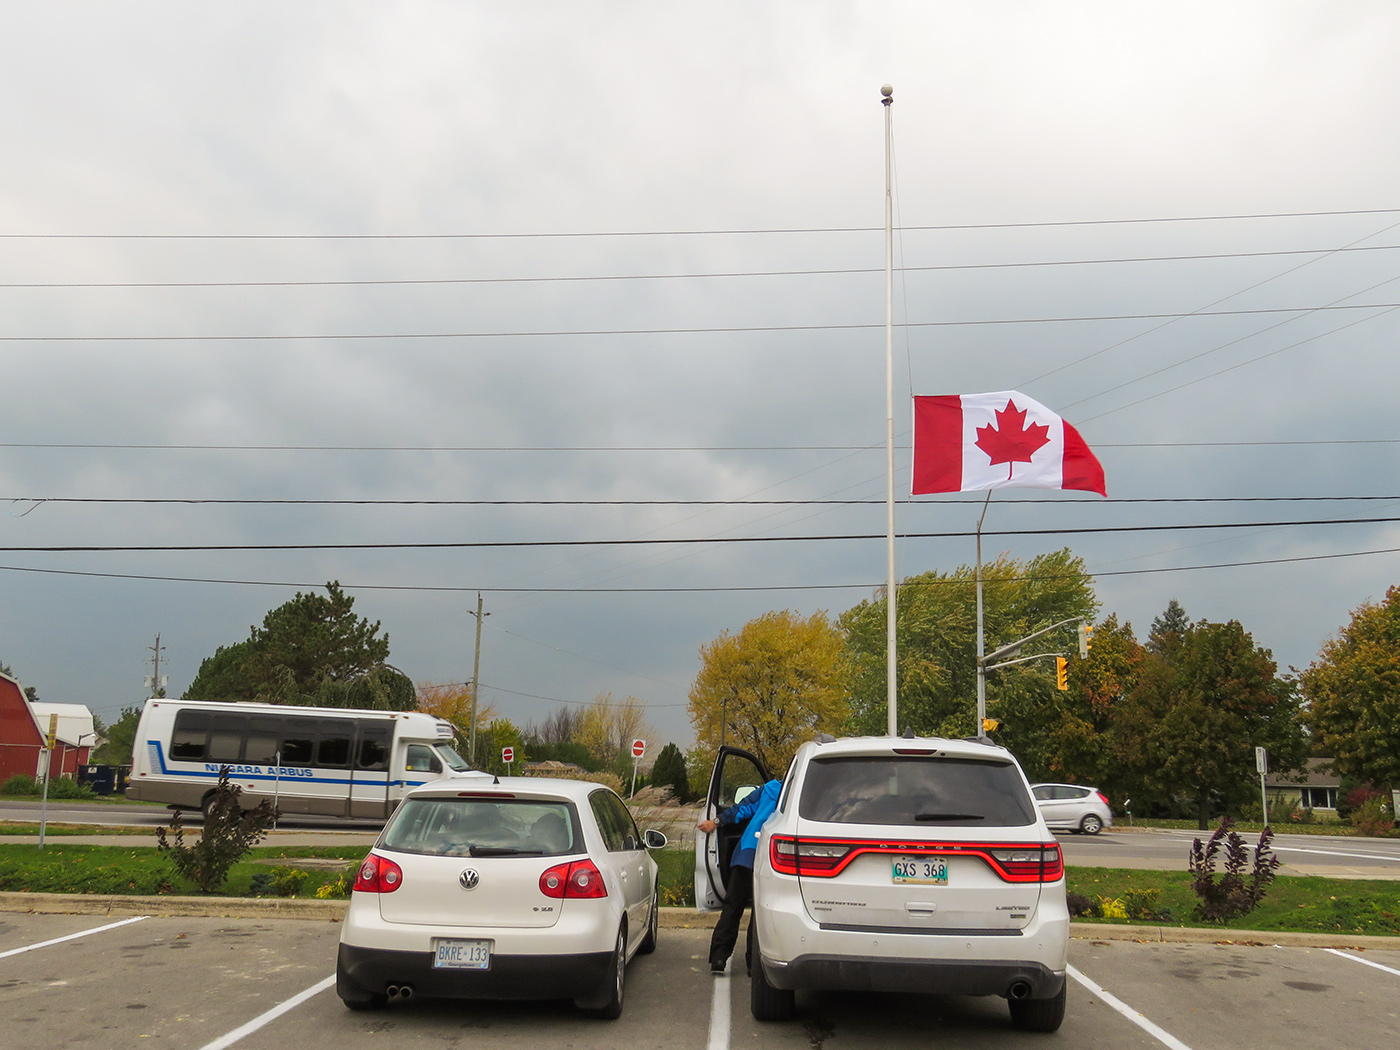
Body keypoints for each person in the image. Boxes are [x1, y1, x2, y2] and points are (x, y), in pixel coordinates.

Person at [697, 778, 783, 974]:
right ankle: (754, 963)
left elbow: (742, 809)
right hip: (774, 857)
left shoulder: (770, 788)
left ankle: (719, 958)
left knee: (732, 907)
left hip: (748, 852)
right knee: (761, 912)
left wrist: (715, 822)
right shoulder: (798, 794)